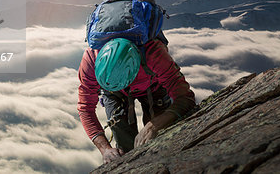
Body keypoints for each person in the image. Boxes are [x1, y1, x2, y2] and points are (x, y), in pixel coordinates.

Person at [77, 36, 196, 164]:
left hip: (152, 85)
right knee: (124, 148)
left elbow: (185, 97)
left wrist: (154, 126)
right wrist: (105, 149)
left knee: (159, 138)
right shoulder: (90, 61)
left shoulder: (153, 53)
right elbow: (85, 109)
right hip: (113, 92)